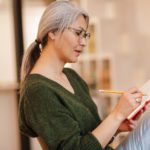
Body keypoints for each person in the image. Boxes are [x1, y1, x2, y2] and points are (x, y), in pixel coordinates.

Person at [19, 1, 150, 150]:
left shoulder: (72, 77)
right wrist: (116, 115)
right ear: (52, 32)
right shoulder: (37, 91)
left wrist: (117, 127)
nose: (83, 42)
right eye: (77, 33)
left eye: (85, 35)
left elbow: (92, 136)